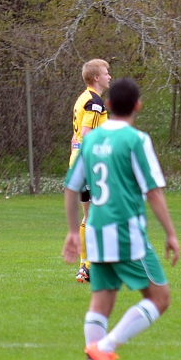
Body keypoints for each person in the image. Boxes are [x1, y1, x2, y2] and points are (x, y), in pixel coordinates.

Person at [62, 77, 180, 360]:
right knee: (160, 297)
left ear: (109, 105)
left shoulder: (89, 141)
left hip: (97, 232)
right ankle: (105, 348)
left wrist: (74, 231)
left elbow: (72, 187)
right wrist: (170, 233)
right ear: (138, 105)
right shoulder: (136, 140)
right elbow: (153, 190)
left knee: (101, 302)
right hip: (126, 233)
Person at [69, 59, 112, 283]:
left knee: (90, 216)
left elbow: (74, 137)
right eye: (106, 73)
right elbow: (87, 134)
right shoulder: (94, 103)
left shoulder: (82, 98)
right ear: (96, 77)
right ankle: (92, 265)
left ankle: (85, 267)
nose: (109, 76)